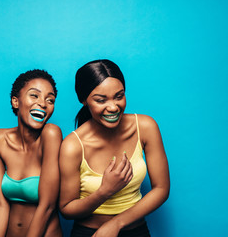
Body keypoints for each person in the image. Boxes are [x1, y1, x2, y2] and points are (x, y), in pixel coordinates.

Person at [59, 59, 170, 237]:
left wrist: (116, 224)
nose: (113, 107)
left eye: (119, 96)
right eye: (101, 100)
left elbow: (161, 189)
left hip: (136, 231)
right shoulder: (72, 146)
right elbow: (66, 208)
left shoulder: (146, 127)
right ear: (83, 100)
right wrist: (105, 191)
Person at [0, 69, 63, 237]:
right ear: (15, 101)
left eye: (50, 100)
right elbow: (0, 204)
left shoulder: (50, 135)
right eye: (34, 95)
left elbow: (48, 206)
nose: (43, 103)